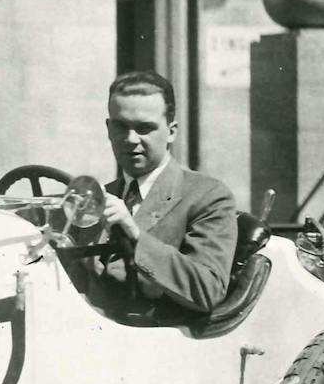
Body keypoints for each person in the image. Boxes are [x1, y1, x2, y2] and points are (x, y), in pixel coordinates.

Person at [82, 71, 237, 319]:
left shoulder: (208, 196)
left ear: (171, 131)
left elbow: (208, 290)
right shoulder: (101, 197)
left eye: (145, 128)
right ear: (109, 129)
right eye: (121, 126)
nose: (131, 139)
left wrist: (135, 236)